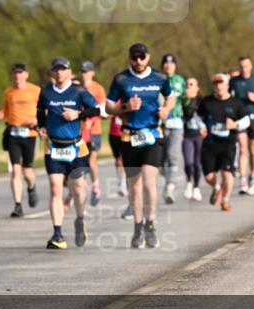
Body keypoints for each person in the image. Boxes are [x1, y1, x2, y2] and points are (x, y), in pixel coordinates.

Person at [105, 43, 175, 250]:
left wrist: (166, 110)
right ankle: (138, 227)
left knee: (148, 182)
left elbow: (170, 97)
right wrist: (124, 107)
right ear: (130, 59)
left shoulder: (160, 77)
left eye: (142, 57)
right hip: (129, 137)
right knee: (133, 186)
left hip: (153, 134)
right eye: (134, 58)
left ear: (148, 57)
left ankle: (150, 224)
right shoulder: (121, 79)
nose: (138, 61)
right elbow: (109, 107)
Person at [36, 58, 101, 249]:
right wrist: (41, 127)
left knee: (78, 188)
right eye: (56, 70)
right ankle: (57, 234)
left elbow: (95, 109)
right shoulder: (46, 91)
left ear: (69, 72)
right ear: (52, 73)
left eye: (62, 70)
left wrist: (77, 115)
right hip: (54, 146)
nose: (59, 73)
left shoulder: (78, 91)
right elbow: (40, 110)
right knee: (55, 188)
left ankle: (80, 220)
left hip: (76, 147)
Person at [197, 73, 250, 211]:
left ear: (227, 85)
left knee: (227, 174)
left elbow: (246, 120)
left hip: (228, 143)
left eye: (221, 83)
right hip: (210, 143)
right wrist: (201, 127)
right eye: (216, 84)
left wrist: (235, 125)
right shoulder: (207, 102)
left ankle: (225, 200)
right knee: (209, 176)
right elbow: (197, 116)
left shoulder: (235, 103)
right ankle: (216, 186)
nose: (219, 86)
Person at [0, 63, 41, 218]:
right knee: (15, 170)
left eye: (21, 73)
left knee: (27, 171)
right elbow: (6, 110)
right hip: (13, 134)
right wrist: (1, 114)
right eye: (15, 73)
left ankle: (32, 186)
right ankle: (18, 205)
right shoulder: (9, 92)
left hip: (30, 134)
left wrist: (36, 119)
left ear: (26, 75)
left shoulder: (35, 90)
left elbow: (44, 110)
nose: (18, 76)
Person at [229, 56, 254, 195]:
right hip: (240, 118)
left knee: (253, 150)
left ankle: (253, 177)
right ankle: (243, 181)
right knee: (243, 149)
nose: (244, 69)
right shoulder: (234, 81)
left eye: (246, 66)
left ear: (251, 66)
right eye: (241, 66)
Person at [79, 61, 108, 207]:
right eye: (82, 71)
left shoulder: (98, 89)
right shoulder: (77, 88)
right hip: (79, 130)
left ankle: (95, 187)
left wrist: (92, 119)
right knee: (80, 161)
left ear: (92, 72)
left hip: (94, 129)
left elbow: (102, 110)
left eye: (86, 71)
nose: (84, 74)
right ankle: (79, 190)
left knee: (91, 159)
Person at [159, 54, 187, 205]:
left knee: (172, 155)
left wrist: (189, 97)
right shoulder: (157, 80)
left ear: (175, 65)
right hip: (160, 125)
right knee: (160, 161)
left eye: (171, 63)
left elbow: (186, 100)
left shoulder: (180, 81)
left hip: (176, 123)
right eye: (166, 63)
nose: (168, 66)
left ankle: (170, 186)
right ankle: (167, 179)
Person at [181, 77, 205, 201]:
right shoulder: (183, 101)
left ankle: (196, 187)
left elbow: (206, 116)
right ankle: (189, 182)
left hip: (199, 136)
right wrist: (187, 100)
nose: (188, 86)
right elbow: (185, 115)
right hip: (187, 135)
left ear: (197, 87)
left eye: (191, 84)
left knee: (197, 164)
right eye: (187, 84)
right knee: (188, 162)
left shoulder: (202, 101)